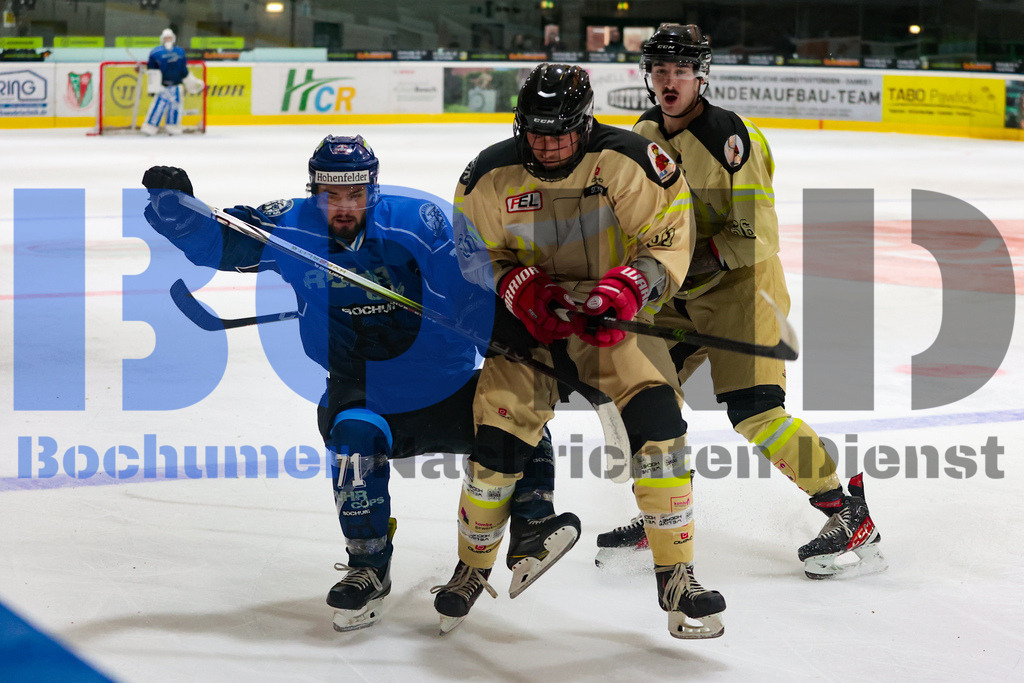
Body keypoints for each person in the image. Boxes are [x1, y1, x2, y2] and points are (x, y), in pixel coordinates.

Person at [141, 135, 572, 633]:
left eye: (355, 195)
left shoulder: (418, 223)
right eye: (331, 195)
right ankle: (369, 565)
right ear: (314, 189)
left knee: (516, 416)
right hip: (365, 388)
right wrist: (178, 211)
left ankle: (534, 522)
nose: (343, 206)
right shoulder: (291, 224)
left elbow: (474, 292)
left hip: (446, 383)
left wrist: (502, 340)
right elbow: (223, 241)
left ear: (373, 188)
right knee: (352, 443)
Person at [432, 63, 726, 640]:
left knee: (660, 425)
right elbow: (471, 254)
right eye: (536, 133)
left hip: (609, 320)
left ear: (585, 122)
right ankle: (471, 568)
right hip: (526, 323)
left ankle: (677, 575)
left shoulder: (633, 160)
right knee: (494, 449)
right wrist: (515, 285)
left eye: (560, 133)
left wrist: (631, 285)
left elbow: (666, 237)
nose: (547, 145)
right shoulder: (488, 174)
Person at [595, 24, 885, 580]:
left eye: (680, 71)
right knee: (643, 396)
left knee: (755, 411)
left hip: (741, 289)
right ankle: (664, 509)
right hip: (678, 292)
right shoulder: (645, 130)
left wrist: (669, 268)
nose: (669, 81)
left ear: (701, 76)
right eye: (660, 71)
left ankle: (846, 511)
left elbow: (756, 236)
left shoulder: (732, 139)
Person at [142, 28, 203, 135]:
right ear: (162, 39)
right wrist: (153, 87)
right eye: (166, 38)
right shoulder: (155, 53)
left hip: (176, 86)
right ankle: (150, 128)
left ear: (173, 39)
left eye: (169, 37)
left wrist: (189, 80)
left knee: (175, 109)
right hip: (162, 86)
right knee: (158, 108)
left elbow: (183, 69)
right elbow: (152, 70)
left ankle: (172, 128)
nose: (168, 40)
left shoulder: (180, 52)